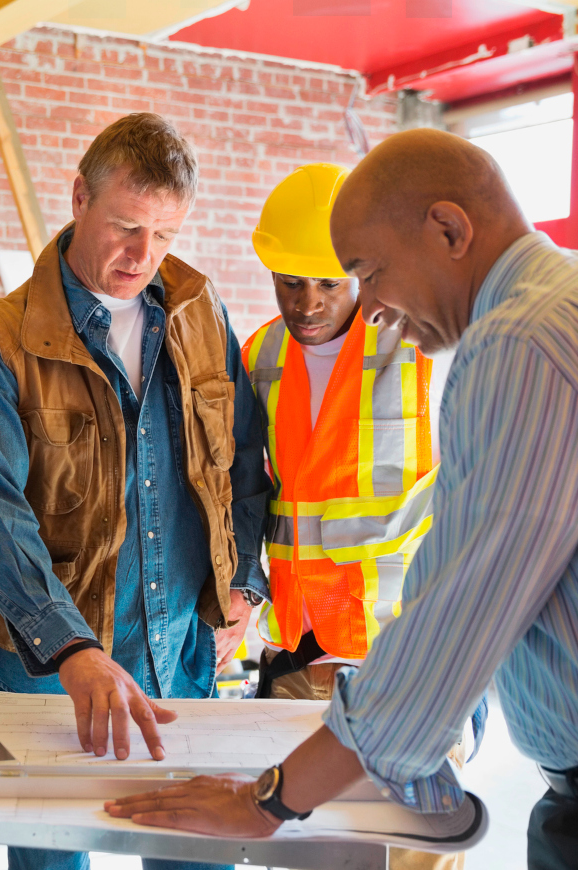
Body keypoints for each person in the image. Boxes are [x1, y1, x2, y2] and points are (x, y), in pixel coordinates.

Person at [103, 128, 578, 870]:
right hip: (308, 648)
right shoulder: (553, 312)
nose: (372, 304)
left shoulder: (505, 348)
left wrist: (270, 799)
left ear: (449, 229)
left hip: (387, 656)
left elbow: (461, 618)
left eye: (366, 272)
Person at [0, 112, 271, 870]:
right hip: (48, 675)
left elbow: (244, 463)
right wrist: (71, 649)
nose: (143, 256)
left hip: (180, 653)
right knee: (54, 856)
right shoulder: (0, 342)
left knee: (194, 852)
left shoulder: (198, 310)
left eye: (163, 235)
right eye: (127, 226)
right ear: (78, 198)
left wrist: (244, 586)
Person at [243, 163, 472, 870]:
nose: (307, 303)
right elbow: (249, 499)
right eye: (290, 282)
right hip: (297, 654)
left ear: (361, 273)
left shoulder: (422, 354)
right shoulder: (257, 356)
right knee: (302, 847)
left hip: (399, 654)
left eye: (328, 283)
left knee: (410, 851)